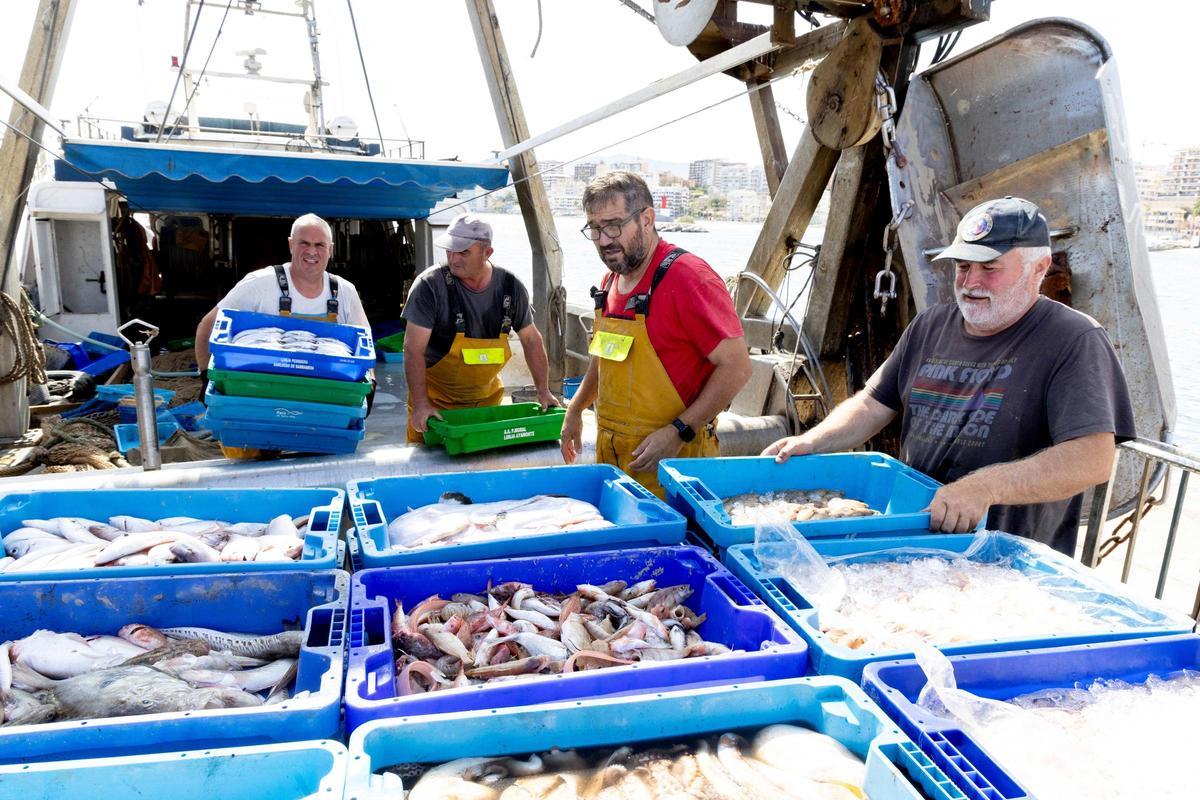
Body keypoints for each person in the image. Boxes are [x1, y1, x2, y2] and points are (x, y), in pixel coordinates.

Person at [764, 197, 1136, 555]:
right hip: (916, 533)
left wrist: (984, 487)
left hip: (1005, 555)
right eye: (962, 266)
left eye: (989, 268)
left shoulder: (1074, 339)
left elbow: (1092, 458)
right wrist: (812, 441)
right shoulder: (931, 324)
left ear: (1039, 268)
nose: (971, 282)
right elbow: (873, 402)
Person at [561, 171, 752, 497]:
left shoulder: (688, 278)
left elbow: (737, 367)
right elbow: (603, 357)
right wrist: (576, 408)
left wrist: (679, 431)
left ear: (647, 219)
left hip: (675, 470)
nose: (604, 240)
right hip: (617, 467)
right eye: (594, 228)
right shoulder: (610, 282)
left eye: (613, 225)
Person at [402, 213, 555, 443]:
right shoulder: (429, 286)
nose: (453, 259)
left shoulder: (511, 288)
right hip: (436, 406)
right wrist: (422, 404)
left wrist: (543, 390)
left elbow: (532, 340)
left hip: (486, 403)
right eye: (449, 250)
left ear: (487, 252)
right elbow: (412, 349)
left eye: (463, 252)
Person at [194, 212, 370, 371]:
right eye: (304, 243)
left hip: (324, 393)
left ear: (330, 249)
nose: (311, 251)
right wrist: (205, 375)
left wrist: (370, 385)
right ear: (290, 244)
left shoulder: (345, 291)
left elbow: (365, 346)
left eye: (319, 245)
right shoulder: (259, 283)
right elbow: (207, 325)